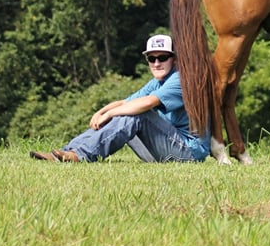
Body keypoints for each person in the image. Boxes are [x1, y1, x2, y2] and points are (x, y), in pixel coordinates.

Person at [30, 34, 210, 163]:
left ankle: (81, 156)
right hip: (164, 150)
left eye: (162, 57)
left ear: (175, 60)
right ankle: (67, 152)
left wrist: (109, 114)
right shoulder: (158, 82)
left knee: (138, 114)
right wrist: (102, 111)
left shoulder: (181, 79)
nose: (156, 63)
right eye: (151, 58)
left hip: (188, 154)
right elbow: (126, 102)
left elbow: (147, 103)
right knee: (127, 111)